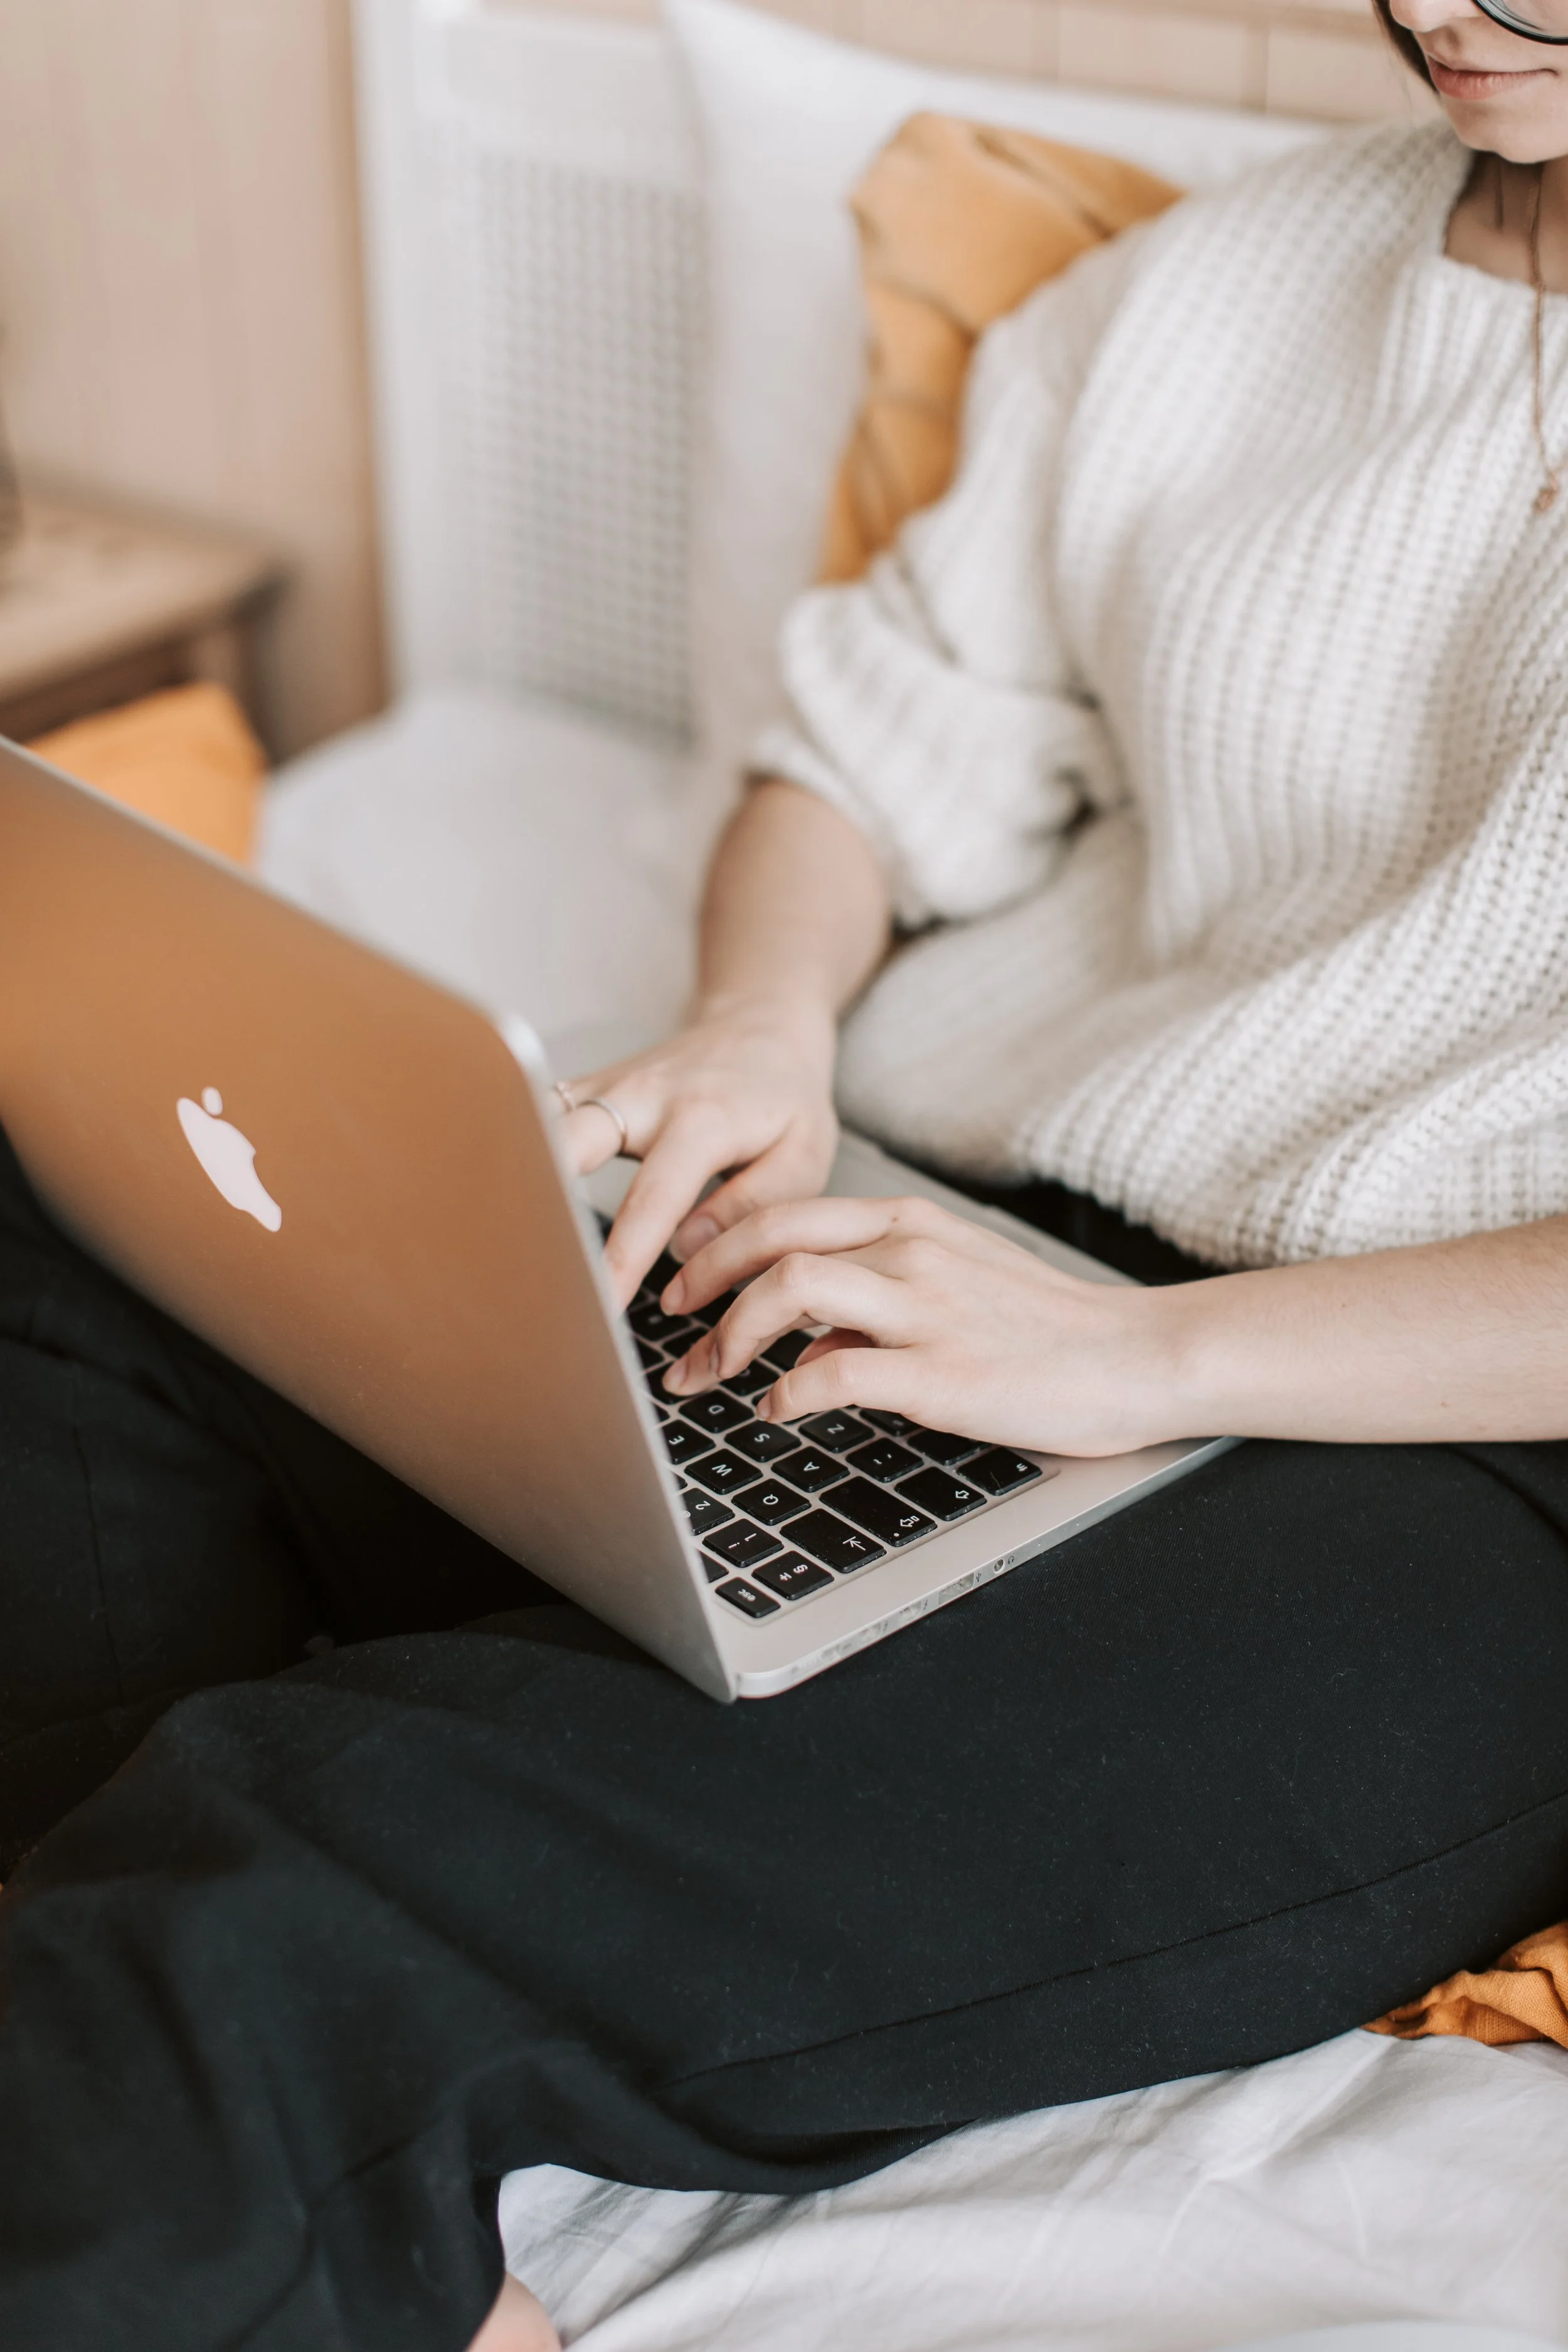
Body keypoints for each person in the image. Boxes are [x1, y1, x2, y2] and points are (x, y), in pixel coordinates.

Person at [5, 3, 1568, 2347]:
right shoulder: (1226, 282)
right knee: (68, 1218)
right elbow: (865, 745)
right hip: (962, 1232)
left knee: (292, 1857)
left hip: (1445, 1457)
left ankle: (221, 2100)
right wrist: (764, 1029)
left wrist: (1140, 1353)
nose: (1444, 1)